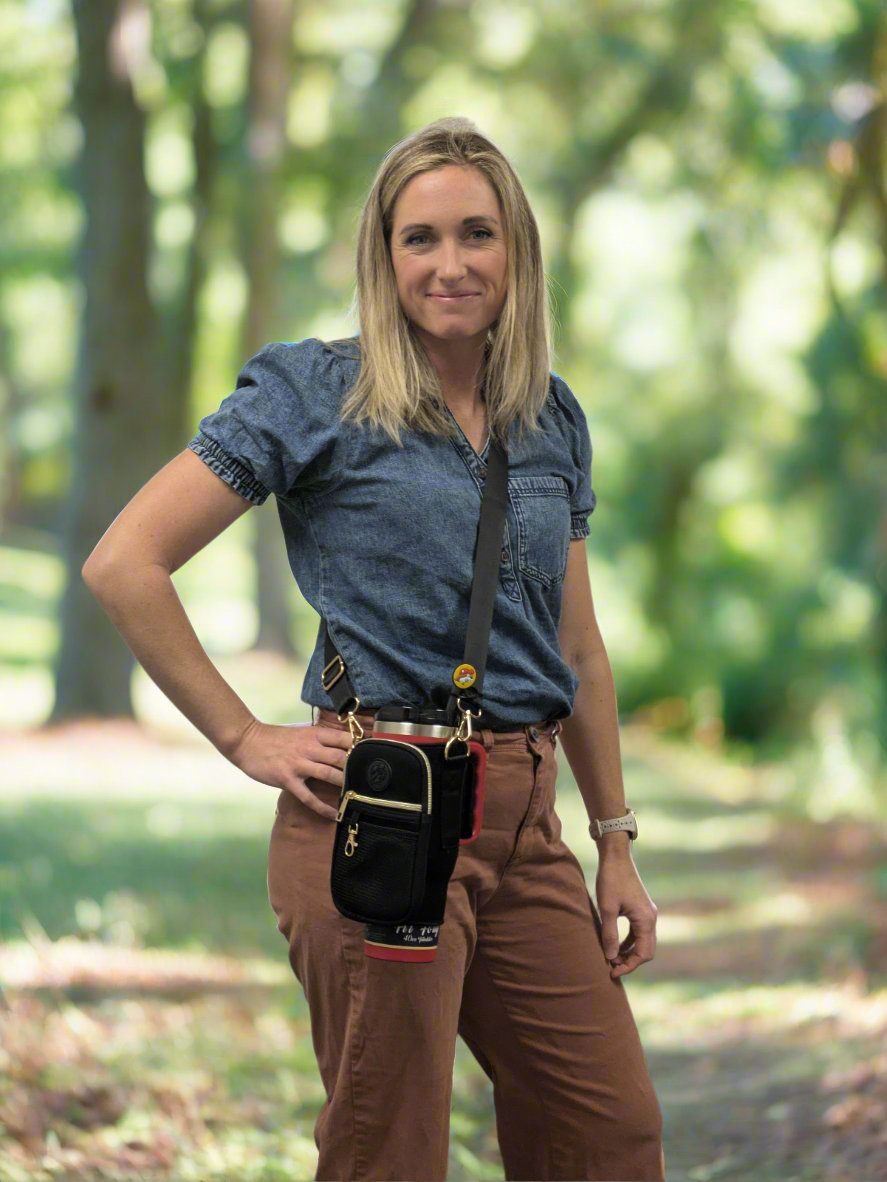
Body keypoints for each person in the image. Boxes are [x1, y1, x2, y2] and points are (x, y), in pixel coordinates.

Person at [82, 116, 666, 1182]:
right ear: (383, 255)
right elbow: (125, 563)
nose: (450, 264)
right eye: (420, 238)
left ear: (515, 253)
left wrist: (613, 839)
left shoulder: (547, 417)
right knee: (388, 1155)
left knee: (607, 1136)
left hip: (527, 825)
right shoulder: (315, 394)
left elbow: (573, 643)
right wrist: (243, 738)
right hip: (383, 815)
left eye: (476, 235)